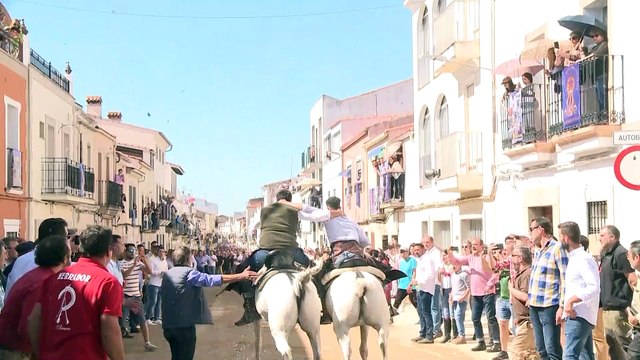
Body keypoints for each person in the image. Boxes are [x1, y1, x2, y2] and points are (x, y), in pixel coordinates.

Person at [233, 189, 331, 326]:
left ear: (277, 199)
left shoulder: (264, 210)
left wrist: (253, 239)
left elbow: (251, 228)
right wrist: (302, 206)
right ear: (290, 200)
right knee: (315, 272)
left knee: (242, 270)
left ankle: (249, 308)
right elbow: (323, 215)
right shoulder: (294, 210)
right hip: (291, 252)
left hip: (265, 252)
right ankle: (324, 310)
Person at [27, 225, 125, 360]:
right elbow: (109, 329)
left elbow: (33, 319)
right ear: (109, 251)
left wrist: (41, 353)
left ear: (81, 248)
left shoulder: (54, 278)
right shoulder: (107, 282)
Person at [316, 196, 405, 324]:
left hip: (339, 256)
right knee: (383, 274)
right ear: (340, 206)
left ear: (328, 207)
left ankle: (326, 315)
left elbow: (311, 214)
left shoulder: (326, 217)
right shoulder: (351, 221)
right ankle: (387, 308)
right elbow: (365, 242)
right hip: (358, 255)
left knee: (320, 281)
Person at [161, 247, 257, 360]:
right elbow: (211, 279)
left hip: (168, 326)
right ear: (188, 259)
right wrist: (241, 276)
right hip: (183, 327)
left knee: (176, 356)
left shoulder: (167, 274)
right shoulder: (189, 273)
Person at [0, 235, 70, 359]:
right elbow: (27, 326)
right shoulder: (42, 281)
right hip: (16, 350)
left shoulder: (39, 275)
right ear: (64, 258)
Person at [5, 218, 68, 297]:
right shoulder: (25, 262)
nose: (68, 241)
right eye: (66, 237)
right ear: (57, 240)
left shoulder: (21, 260)